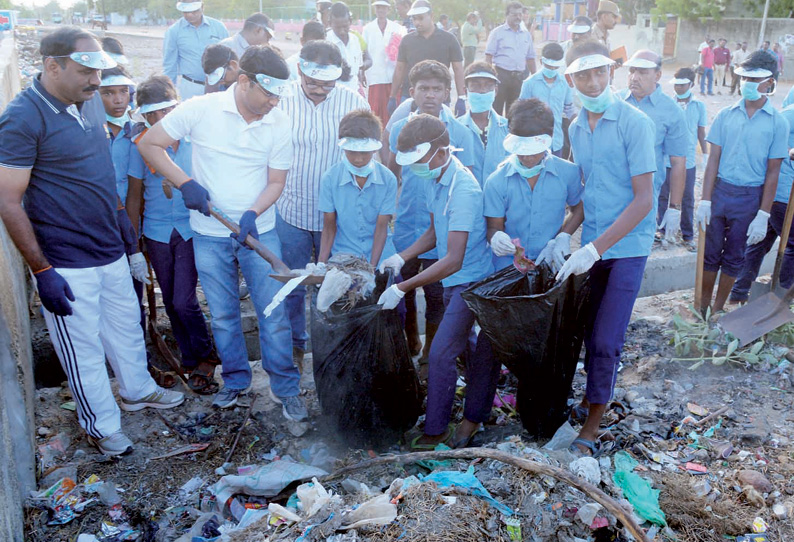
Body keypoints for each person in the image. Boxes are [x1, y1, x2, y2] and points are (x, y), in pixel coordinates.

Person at [0, 27, 184, 456]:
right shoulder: (22, 118)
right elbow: (8, 202)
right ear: (52, 66)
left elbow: (100, 172)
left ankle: (137, 389)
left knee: (126, 329)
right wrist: (42, 271)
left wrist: (124, 229)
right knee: (82, 350)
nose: (97, 83)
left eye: (99, 73)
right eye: (86, 72)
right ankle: (101, 426)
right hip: (65, 261)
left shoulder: (89, 105)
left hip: (110, 249)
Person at [137, 46, 308, 420]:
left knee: (273, 312)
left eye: (279, 95)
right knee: (225, 315)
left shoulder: (279, 122)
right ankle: (235, 383)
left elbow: (276, 180)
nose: (273, 102)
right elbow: (149, 144)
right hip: (209, 234)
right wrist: (185, 184)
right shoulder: (202, 109)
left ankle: (285, 388)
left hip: (258, 232)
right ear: (244, 81)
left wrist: (253, 211)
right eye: (268, 93)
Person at [559, 41, 657, 456]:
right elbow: (586, 190)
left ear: (611, 72)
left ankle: (594, 421)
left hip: (627, 244)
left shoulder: (634, 123)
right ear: (571, 80)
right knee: (582, 329)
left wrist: (594, 247)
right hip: (594, 241)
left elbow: (643, 199)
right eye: (583, 75)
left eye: (600, 72)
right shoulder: (576, 127)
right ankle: (592, 394)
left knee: (606, 339)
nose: (593, 82)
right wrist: (565, 234)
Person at [379, 114, 498, 449]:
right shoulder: (435, 180)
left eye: (419, 161)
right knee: (469, 348)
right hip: (454, 280)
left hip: (470, 282)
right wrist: (402, 257)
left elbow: (453, 258)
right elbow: (435, 233)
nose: (415, 168)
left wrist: (404, 287)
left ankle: (436, 430)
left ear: (442, 152)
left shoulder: (464, 190)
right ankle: (479, 410)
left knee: (442, 353)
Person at [277, 40, 369, 371]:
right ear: (299, 70)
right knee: (292, 284)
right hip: (292, 210)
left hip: (338, 217)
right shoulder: (282, 100)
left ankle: (332, 350)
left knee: (336, 286)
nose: (318, 90)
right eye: (312, 82)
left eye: (326, 84)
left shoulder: (352, 101)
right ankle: (296, 347)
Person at [127, 75, 220, 394]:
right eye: (152, 115)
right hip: (156, 231)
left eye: (166, 112)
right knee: (170, 300)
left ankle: (207, 354)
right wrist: (133, 243)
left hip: (191, 229)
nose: (159, 120)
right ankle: (190, 357)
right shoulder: (139, 147)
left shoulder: (196, 143)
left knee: (184, 300)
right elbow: (135, 196)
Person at [387, 59, 477, 368]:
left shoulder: (461, 133)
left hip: (443, 231)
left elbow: (468, 183)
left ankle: (431, 355)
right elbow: (391, 173)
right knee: (405, 291)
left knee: (437, 295)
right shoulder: (399, 129)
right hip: (408, 226)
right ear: (412, 91)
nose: (430, 95)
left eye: (437, 89)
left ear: (447, 93)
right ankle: (411, 340)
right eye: (423, 88)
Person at [696, 51, 789, 313]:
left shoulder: (777, 123)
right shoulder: (726, 115)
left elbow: (773, 171)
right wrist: (705, 199)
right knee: (710, 253)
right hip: (721, 191)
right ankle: (702, 306)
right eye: (745, 77)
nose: (748, 83)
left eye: (754, 79)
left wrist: (763, 213)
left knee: (735, 256)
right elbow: (713, 159)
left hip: (750, 197)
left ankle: (717, 308)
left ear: (769, 83)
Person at [484, 98, 583, 272]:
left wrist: (563, 236)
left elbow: (579, 207)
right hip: (507, 268)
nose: (527, 157)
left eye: (533, 150)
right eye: (522, 150)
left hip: (550, 263)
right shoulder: (497, 181)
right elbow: (493, 226)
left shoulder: (568, 173)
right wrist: (495, 238)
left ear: (549, 138)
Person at [621, 50, 688, 245]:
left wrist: (674, 207)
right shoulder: (614, 102)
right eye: (632, 71)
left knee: (635, 250)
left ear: (657, 75)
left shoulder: (672, 111)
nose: (634, 77)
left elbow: (678, 161)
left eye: (642, 72)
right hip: (611, 192)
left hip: (644, 198)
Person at [730, 102, 794, 303]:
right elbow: (766, 142)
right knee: (792, 243)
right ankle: (780, 299)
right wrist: (790, 151)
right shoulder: (788, 116)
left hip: (782, 194)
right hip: (781, 193)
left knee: (760, 243)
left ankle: (740, 291)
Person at [318, 110, 397, 267]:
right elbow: (329, 227)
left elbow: (381, 227)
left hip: (381, 255)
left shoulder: (388, 179)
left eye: (364, 152)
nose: (358, 159)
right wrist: (321, 264)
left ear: (375, 149)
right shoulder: (330, 178)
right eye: (352, 152)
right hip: (343, 255)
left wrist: (372, 268)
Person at [388, 0, 466, 117]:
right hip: (410, 97)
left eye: (420, 18)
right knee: (407, 133)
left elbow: (458, 69)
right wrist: (392, 97)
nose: (417, 22)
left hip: (439, 97)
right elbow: (399, 69)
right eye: (414, 19)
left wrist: (461, 97)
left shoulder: (449, 39)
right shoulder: (407, 41)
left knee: (437, 132)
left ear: (431, 16)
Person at [660, 68, 707, 252]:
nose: (679, 88)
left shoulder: (698, 106)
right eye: (676, 85)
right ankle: (662, 230)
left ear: (691, 85)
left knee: (687, 197)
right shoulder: (668, 104)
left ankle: (687, 234)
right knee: (663, 195)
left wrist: (705, 154)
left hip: (687, 160)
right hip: (667, 159)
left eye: (682, 85)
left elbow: (701, 131)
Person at [163, 1, 228, 100]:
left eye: (194, 11)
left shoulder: (218, 27)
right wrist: (168, 93)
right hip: (191, 87)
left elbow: (229, 57)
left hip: (218, 86)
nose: (189, 15)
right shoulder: (174, 31)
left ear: (202, 7)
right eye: (185, 12)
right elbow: (170, 65)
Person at [519, 42, 574, 158]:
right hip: (534, 140)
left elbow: (569, 109)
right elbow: (521, 112)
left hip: (557, 140)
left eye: (555, 67)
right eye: (549, 66)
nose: (552, 69)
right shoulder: (529, 83)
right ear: (541, 62)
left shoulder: (565, 83)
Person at [458, 62, 509, 184]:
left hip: (499, 198)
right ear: (466, 91)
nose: (482, 91)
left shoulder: (508, 128)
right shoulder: (456, 128)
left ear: (495, 91)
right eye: (475, 85)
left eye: (488, 85)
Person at [485, 2, 537, 116]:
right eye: (514, 14)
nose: (518, 17)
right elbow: (488, 56)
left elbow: (530, 58)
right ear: (507, 15)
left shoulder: (526, 34)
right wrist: (489, 76)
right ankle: (496, 132)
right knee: (496, 109)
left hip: (519, 78)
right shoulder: (497, 33)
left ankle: (511, 133)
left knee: (515, 112)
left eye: (520, 14)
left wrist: (535, 77)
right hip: (501, 76)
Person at [362, 0, 404, 125]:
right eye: (378, 8)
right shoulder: (368, 29)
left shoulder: (397, 28)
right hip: (375, 73)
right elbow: (363, 51)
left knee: (393, 107)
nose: (380, 10)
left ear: (388, 10)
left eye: (383, 8)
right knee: (376, 108)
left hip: (393, 73)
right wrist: (362, 71)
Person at [328, 2, 373, 93]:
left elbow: (363, 63)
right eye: (337, 27)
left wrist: (361, 68)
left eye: (345, 26)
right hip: (333, 94)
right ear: (330, 23)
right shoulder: (325, 42)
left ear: (350, 21)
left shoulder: (355, 39)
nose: (342, 31)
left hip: (354, 91)